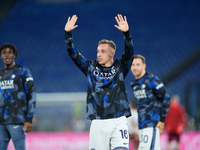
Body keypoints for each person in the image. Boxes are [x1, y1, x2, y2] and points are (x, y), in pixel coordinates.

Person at [64, 14, 134, 150]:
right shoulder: (90, 67)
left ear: (112, 53)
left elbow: (130, 53)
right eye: (97, 51)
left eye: (103, 51)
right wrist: (68, 34)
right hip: (98, 121)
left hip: (118, 119)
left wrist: (127, 34)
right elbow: (73, 54)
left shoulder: (120, 67)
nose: (98, 54)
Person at [0, 43, 36, 150]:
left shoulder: (23, 71)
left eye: (10, 53)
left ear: (15, 55)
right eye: (4, 53)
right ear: (0, 55)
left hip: (17, 120)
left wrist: (29, 118)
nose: (7, 55)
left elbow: (32, 94)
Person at [130, 54, 171, 150]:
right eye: (133, 65)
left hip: (152, 123)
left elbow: (166, 98)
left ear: (144, 66)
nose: (135, 67)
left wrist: (162, 120)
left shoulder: (152, 80)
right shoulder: (134, 83)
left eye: (138, 64)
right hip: (141, 124)